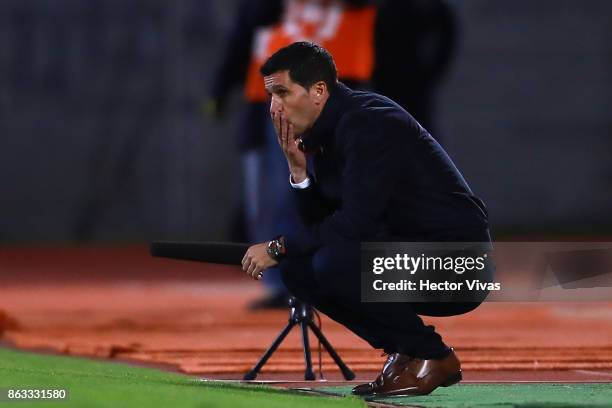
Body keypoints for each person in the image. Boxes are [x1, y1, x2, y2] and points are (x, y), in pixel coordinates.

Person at [241, 42, 491, 396]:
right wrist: (298, 170)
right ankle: (407, 350)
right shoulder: (329, 131)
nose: (274, 107)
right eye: (270, 95)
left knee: (332, 263)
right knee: (300, 269)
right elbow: (321, 226)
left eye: (282, 92)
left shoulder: (367, 123)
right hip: (411, 253)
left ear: (318, 91)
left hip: (459, 263)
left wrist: (279, 246)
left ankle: (432, 355)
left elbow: (355, 225)